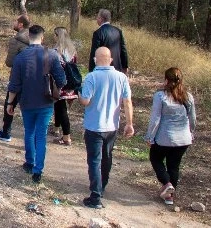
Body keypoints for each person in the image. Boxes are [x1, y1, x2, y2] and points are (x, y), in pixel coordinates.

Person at [5, 25, 66, 183]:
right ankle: (38, 171)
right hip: (46, 102)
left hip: (26, 101)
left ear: (28, 37)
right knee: (41, 135)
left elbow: (14, 84)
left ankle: (29, 162)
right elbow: (62, 80)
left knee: (29, 132)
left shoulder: (21, 57)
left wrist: (10, 103)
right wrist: (53, 87)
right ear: (42, 37)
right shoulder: (52, 55)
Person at [79, 46, 134, 209]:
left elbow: (86, 101)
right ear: (111, 60)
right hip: (112, 126)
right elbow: (127, 101)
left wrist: (79, 95)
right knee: (107, 157)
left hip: (94, 126)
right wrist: (129, 123)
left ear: (95, 60)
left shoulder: (91, 77)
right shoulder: (121, 77)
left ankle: (95, 196)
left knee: (94, 160)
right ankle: (102, 187)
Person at [144, 67, 196, 206]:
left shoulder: (160, 96)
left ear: (166, 80)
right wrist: (191, 133)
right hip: (183, 139)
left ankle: (167, 184)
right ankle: (169, 197)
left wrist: (150, 137)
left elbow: (155, 119)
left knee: (155, 158)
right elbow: (192, 119)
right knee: (174, 166)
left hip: (164, 138)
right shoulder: (188, 96)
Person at [0, 14, 31, 142]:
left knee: (9, 104)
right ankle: (30, 137)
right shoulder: (34, 38)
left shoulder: (16, 41)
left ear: (20, 24)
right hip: (32, 79)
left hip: (17, 78)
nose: (13, 23)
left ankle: (6, 132)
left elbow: (9, 62)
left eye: (15, 21)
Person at [52, 26, 79, 146]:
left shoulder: (56, 51)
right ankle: (56, 129)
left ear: (57, 36)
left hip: (60, 83)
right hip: (71, 83)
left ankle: (66, 136)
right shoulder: (72, 51)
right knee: (60, 107)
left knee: (61, 109)